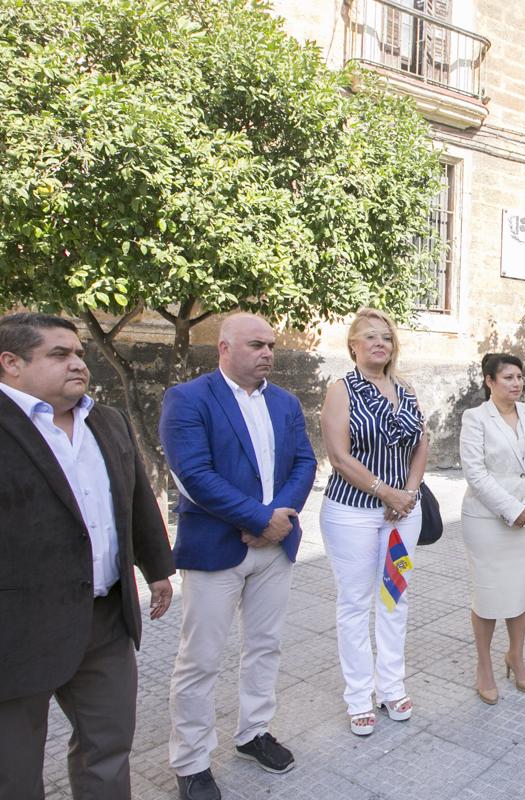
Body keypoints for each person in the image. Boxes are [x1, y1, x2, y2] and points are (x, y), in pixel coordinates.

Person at [0, 313, 174, 800]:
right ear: (11, 363)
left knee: (109, 749)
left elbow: (136, 498)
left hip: (105, 619)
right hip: (16, 630)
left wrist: (157, 569)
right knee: (13, 772)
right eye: (60, 354)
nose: (78, 363)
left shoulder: (106, 419)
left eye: (79, 353)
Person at [161, 313, 316, 800]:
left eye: (271, 344)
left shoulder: (285, 402)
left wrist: (276, 521)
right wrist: (257, 519)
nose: (268, 352)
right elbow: (194, 474)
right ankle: (190, 762)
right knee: (201, 658)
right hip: (216, 549)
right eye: (256, 345)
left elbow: (305, 462)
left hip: (275, 547)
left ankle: (253, 732)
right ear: (223, 349)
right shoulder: (189, 398)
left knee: (265, 645)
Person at [319, 309, 428, 736]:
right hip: (352, 514)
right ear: (354, 346)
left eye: (386, 337)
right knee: (355, 603)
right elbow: (339, 457)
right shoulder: (341, 390)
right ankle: (358, 695)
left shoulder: (407, 389)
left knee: (394, 598)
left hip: (402, 517)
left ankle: (391, 686)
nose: (380, 344)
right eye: (370, 337)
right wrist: (387, 492)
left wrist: (410, 494)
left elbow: (421, 444)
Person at [459, 353, 525, 704]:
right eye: (508, 378)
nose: (516, 384)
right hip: (487, 520)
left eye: (519, 377)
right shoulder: (475, 418)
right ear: (489, 381)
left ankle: (515, 655)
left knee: (520, 590)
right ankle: (484, 665)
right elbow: (475, 472)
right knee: (487, 595)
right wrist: (512, 509)